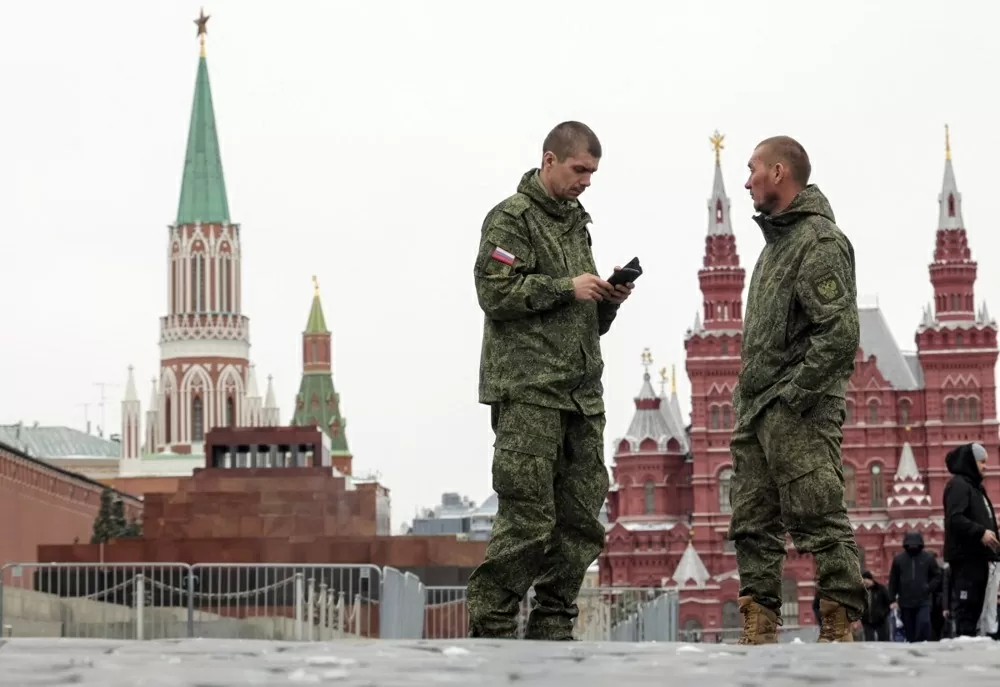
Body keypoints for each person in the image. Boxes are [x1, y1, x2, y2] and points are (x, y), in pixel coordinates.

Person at [466, 121, 635, 640]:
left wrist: (604, 303)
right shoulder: (511, 219)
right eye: (580, 169)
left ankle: (553, 626)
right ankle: (492, 626)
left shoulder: (576, 224)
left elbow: (577, 316)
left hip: (581, 396)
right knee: (528, 520)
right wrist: (567, 287)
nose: (587, 180)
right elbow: (495, 291)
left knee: (583, 519)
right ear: (549, 161)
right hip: (530, 394)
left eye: (593, 173)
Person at [727, 135, 865, 644]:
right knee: (752, 523)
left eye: (753, 169)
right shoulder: (774, 249)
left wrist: (795, 398)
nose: (747, 180)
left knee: (818, 514)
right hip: (757, 412)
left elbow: (840, 332)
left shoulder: (818, 241)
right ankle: (758, 626)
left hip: (797, 411)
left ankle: (837, 624)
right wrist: (756, 405)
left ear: (779, 173)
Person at [942, 442, 1000, 637]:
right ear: (969, 462)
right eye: (982, 461)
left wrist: (991, 528)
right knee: (968, 613)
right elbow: (954, 519)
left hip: (980, 560)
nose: (986, 466)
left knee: (981, 615)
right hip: (967, 560)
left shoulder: (975, 487)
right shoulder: (958, 485)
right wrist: (980, 532)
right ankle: (965, 659)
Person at [887, 530, 939, 642]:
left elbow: (937, 576)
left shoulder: (928, 558)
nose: (913, 546)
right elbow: (893, 580)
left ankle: (921, 644)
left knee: (924, 623)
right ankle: (913, 651)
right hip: (905, 601)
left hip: (923, 600)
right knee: (909, 631)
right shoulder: (899, 559)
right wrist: (892, 600)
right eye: (910, 544)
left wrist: (928, 587)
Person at [860, 570, 892, 641]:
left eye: (866, 581)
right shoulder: (862, 591)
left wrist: (883, 614)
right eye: (863, 582)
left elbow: (889, 603)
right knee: (869, 642)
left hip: (881, 621)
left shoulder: (881, 589)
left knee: (884, 641)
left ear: (870, 579)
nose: (865, 583)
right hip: (867, 621)